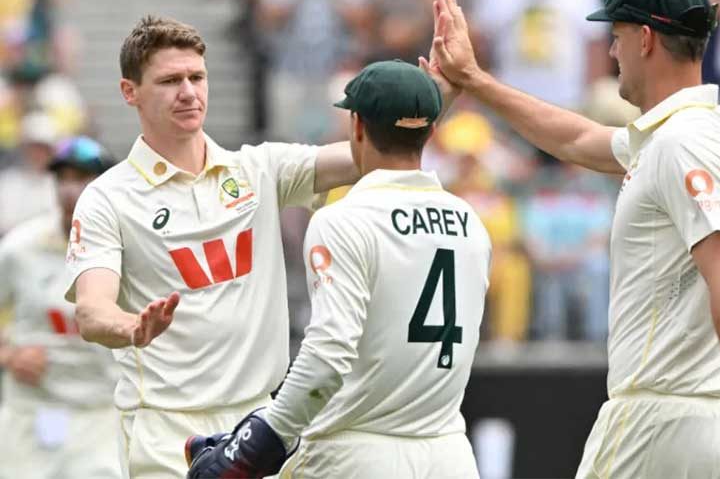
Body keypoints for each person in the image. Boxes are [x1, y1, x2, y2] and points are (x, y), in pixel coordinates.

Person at [429, 0, 720, 479]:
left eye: (617, 36)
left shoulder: (678, 143)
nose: (610, 52)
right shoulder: (710, 126)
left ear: (645, 39)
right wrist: (475, 81)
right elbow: (577, 140)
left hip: (657, 419)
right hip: (711, 417)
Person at [64, 16, 359, 478]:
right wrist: (132, 327)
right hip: (166, 430)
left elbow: (371, 154)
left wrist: (441, 95)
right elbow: (91, 311)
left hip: (261, 423)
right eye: (169, 80)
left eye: (196, 77)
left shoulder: (259, 169)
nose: (188, 92)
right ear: (129, 91)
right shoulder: (107, 198)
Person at [184, 59, 491, 479]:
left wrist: (260, 440)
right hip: (450, 454)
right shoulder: (470, 221)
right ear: (432, 132)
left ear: (357, 127)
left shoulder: (344, 219)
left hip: (355, 454)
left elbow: (328, 353)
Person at [0, 136, 120, 479]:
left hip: (102, 411)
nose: (70, 189)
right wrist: (9, 356)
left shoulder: (130, 252)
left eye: (82, 178)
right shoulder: (20, 248)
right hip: (36, 410)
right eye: (62, 178)